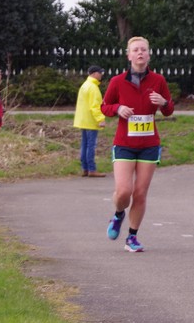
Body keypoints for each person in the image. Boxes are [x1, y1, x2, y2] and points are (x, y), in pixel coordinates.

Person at [101, 37, 174, 252]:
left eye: (143, 49)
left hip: (149, 144)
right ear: (129, 55)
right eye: (135, 50)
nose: (140, 53)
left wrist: (163, 103)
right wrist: (117, 109)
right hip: (124, 143)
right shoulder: (117, 82)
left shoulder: (158, 80)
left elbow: (169, 110)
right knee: (124, 191)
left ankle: (132, 237)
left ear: (149, 55)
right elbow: (105, 106)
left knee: (140, 194)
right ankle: (118, 215)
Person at [73, 65, 107, 177]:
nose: (101, 75)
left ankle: (85, 169)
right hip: (91, 121)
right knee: (91, 146)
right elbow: (95, 106)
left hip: (83, 120)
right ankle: (92, 169)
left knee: (84, 145)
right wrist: (100, 119)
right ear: (94, 73)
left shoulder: (85, 85)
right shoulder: (93, 87)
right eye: (100, 73)